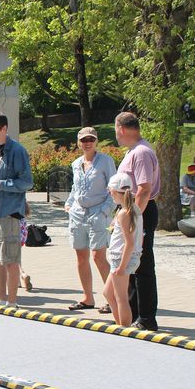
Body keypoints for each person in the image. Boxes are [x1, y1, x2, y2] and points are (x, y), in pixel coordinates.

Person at [0, 112, 33, 308]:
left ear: (4, 129)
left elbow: (26, 182)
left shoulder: (17, 150)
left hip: (8, 213)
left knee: (10, 259)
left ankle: (12, 302)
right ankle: (1, 299)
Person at [115, 111, 160, 330]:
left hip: (141, 210)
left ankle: (146, 319)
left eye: (116, 130)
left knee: (142, 265)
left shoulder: (141, 152)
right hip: (132, 211)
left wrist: (134, 219)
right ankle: (133, 315)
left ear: (121, 129)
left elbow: (143, 189)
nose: (116, 134)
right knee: (133, 265)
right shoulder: (134, 150)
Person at [64, 127, 116, 311]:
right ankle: (88, 298)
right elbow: (75, 187)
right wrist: (69, 204)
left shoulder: (106, 161)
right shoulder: (76, 163)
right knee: (81, 255)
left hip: (97, 213)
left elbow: (114, 187)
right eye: (84, 140)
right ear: (79, 142)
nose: (87, 143)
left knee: (98, 256)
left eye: (91, 139)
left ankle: (113, 298)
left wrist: (104, 211)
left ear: (96, 141)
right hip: (78, 214)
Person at [102, 172, 143, 327]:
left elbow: (129, 243)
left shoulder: (124, 213)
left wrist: (122, 266)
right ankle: (119, 324)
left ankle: (124, 328)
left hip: (122, 259)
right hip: (121, 258)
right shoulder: (133, 209)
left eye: (110, 192)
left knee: (121, 297)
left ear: (113, 191)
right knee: (108, 293)